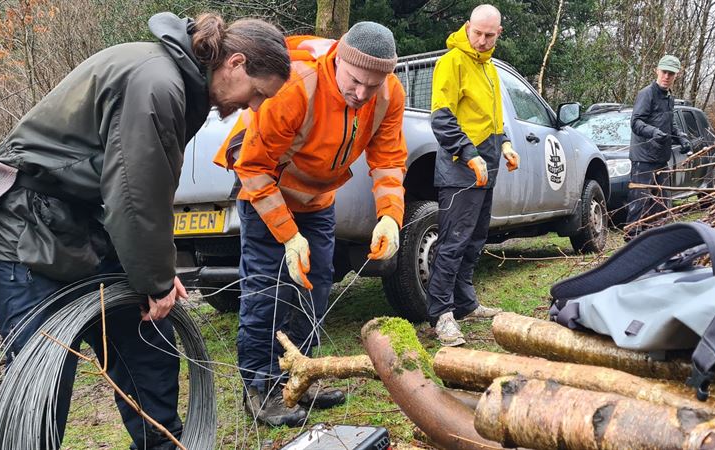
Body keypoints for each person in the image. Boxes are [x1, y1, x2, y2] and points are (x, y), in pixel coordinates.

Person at [0, 12, 289, 449]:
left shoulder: (175, 81)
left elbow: (143, 191)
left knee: (147, 344)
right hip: (25, 226)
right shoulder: (158, 83)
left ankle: (166, 444)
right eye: (257, 93)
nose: (254, 107)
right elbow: (135, 195)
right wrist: (156, 279)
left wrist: (157, 272)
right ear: (235, 63)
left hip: (79, 222)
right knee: (43, 382)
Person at [220, 22, 408, 427]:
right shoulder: (296, 85)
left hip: (317, 198)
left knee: (317, 280)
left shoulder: (389, 94)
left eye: (372, 86)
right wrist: (288, 236)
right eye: (355, 81)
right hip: (264, 189)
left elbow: (389, 158)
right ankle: (261, 386)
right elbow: (252, 167)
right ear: (339, 60)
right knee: (267, 289)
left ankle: (304, 372)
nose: (362, 95)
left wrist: (390, 216)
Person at [426, 4, 518, 347]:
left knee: (476, 240)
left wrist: (506, 143)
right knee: (452, 243)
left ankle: (465, 304)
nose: (481, 40)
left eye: (489, 35)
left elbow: (493, 119)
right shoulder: (452, 62)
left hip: (488, 165)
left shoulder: (490, 67)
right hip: (459, 169)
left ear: (498, 34)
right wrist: (468, 154)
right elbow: (442, 117)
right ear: (467, 27)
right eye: (477, 33)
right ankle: (441, 315)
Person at [626, 54, 691, 240]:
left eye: (671, 74)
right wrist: (653, 132)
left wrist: (682, 138)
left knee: (661, 201)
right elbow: (636, 122)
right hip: (644, 157)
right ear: (657, 71)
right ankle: (632, 237)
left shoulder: (669, 97)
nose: (667, 77)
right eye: (664, 72)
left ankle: (656, 237)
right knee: (639, 199)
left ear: (676, 76)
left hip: (662, 158)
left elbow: (671, 125)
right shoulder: (647, 93)